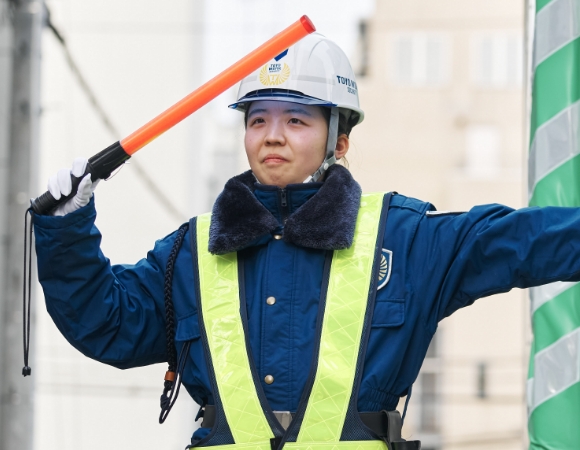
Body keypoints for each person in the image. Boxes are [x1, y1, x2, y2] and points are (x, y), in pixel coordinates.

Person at [34, 32, 580, 449]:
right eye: (258, 119)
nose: (272, 135)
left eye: (296, 119)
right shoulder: (191, 252)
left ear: (338, 139)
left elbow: (520, 241)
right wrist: (68, 228)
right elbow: (104, 323)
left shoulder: (405, 240)